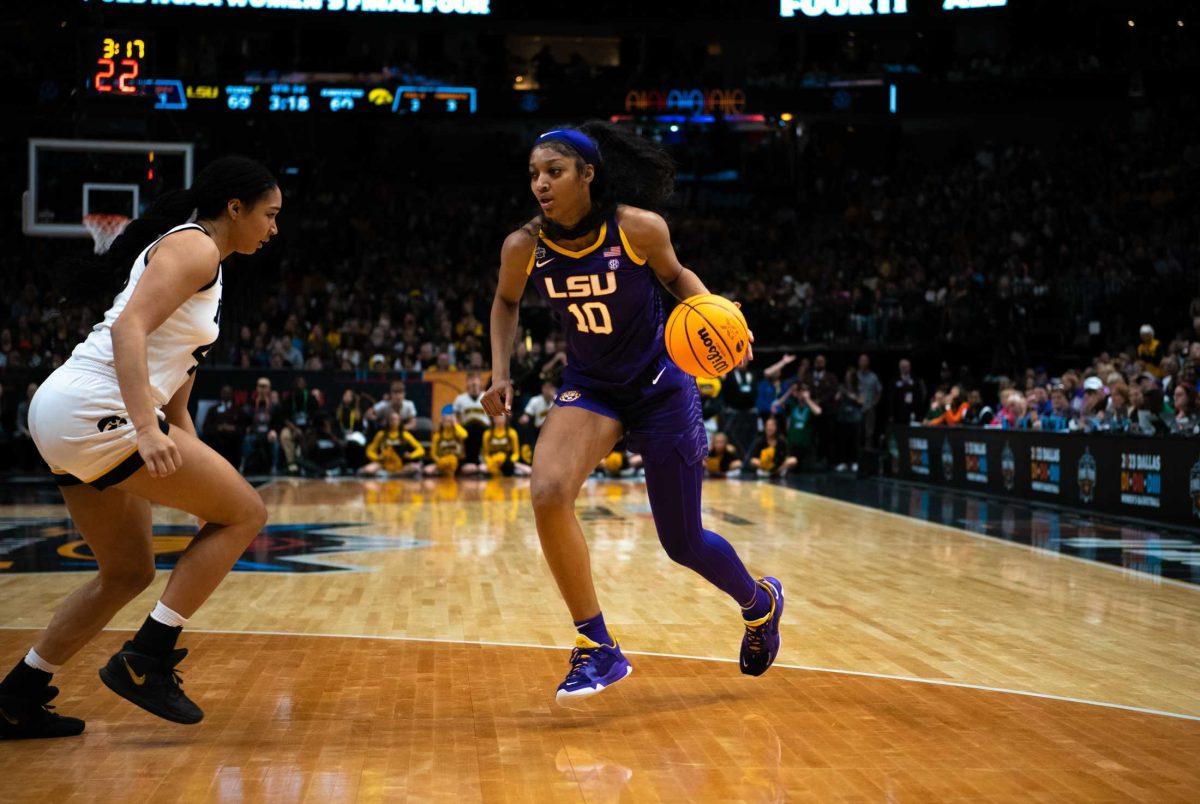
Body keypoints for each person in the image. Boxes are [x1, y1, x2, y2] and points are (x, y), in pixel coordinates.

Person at [482, 123, 782, 706]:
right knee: (546, 492)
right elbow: (506, 300)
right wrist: (500, 371)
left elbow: (677, 279)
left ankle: (760, 603)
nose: (540, 184)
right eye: (534, 175)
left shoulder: (637, 227)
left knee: (682, 541)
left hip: (661, 385)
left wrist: (717, 317)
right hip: (592, 387)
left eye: (554, 172)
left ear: (588, 175)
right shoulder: (524, 245)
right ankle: (597, 645)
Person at [1, 156, 277, 739]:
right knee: (250, 512)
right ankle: (146, 659)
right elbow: (129, 330)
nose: (274, 228)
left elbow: (176, 397)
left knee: (127, 571)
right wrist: (146, 430)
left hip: (68, 412)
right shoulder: (196, 247)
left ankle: (17, 695)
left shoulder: (208, 268)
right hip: (96, 406)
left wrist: (201, 475)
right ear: (235, 208)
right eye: (269, 215)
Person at [360, 411, 424, 476]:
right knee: (367, 470)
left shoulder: (405, 435)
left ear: (400, 421)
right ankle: (391, 474)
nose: (393, 421)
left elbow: (421, 449)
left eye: (396, 419)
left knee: (416, 468)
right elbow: (370, 451)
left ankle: (389, 474)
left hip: (400, 465)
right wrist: (377, 457)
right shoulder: (381, 434)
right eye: (391, 419)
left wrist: (411, 455)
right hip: (384, 463)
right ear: (388, 421)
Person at [240, 377, 281, 474]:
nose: (262, 389)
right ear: (257, 388)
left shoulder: (274, 405)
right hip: (255, 433)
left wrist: (274, 430)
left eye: (265, 386)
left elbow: (278, 422)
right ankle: (244, 465)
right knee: (247, 440)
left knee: (275, 442)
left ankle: (274, 466)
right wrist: (248, 427)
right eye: (260, 386)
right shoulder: (251, 403)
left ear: (269, 389)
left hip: (268, 434)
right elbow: (246, 420)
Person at [453, 372, 490, 469]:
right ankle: (468, 463)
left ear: (481, 383)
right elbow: (455, 418)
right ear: (467, 383)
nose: (474, 383)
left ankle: (482, 462)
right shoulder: (460, 399)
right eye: (471, 380)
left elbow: (495, 417)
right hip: (467, 430)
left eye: (476, 380)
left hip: (484, 429)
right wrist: (458, 429)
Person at [200, 385, 243, 467]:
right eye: (224, 392)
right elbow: (205, 428)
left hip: (232, 443)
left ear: (232, 394)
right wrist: (218, 428)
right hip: (216, 441)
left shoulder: (238, 410)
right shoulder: (213, 410)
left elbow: (242, 428)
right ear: (221, 393)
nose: (226, 394)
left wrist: (232, 428)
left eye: (228, 393)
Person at [481, 413, 532, 477]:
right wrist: (491, 461)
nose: (499, 420)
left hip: (508, 462)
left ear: (506, 419)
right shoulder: (487, 434)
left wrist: (509, 462)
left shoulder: (512, 433)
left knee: (529, 470)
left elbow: (516, 454)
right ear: (493, 419)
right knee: (482, 468)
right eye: (497, 418)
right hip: (493, 462)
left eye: (502, 418)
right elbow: (485, 454)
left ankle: (508, 472)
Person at [425, 409, 472, 477]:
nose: (447, 423)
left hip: (458, 462)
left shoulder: (457, 433)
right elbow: (433, 454)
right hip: (442, 462)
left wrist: (455, 424)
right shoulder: (437, 436)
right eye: (445, 421)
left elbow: (465, 435)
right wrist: (440, 462)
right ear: (441, 422)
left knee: (471, 469)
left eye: (449, 421)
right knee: (428, 470)